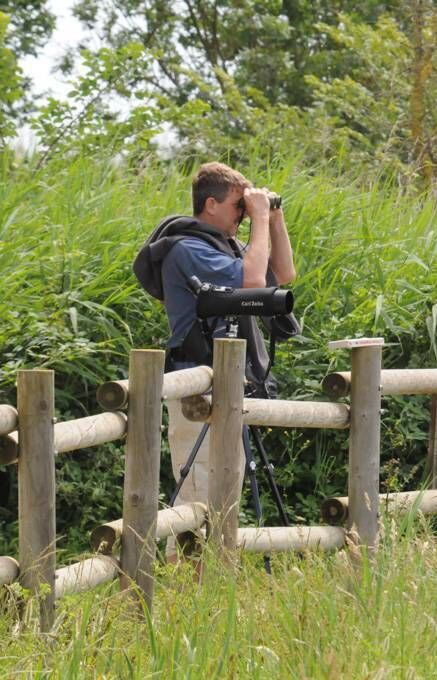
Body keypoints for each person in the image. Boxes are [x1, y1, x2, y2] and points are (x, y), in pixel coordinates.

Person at [134, 162, 296, 546]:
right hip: (197, 384)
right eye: (238, 206)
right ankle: (187, 585)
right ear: (210, 204)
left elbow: (283, 274)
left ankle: (210, 584)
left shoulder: (226, 247)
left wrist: (273, 217)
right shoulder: (188, 248)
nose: (243, 214)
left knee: (226, 489)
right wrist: (257, 218)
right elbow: (254, 282)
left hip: (228, 383)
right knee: (199, 493)